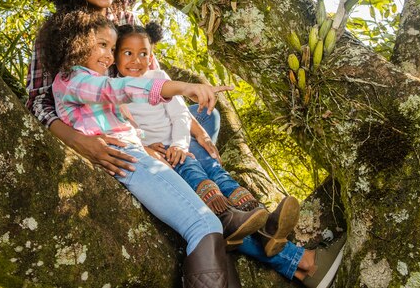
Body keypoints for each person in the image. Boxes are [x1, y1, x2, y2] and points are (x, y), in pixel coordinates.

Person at [113, 21, 347, 287]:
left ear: (151, 53)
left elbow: (179, 114)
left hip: (179, 143)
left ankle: (275, 235)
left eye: (143, 53)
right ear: (115, 55)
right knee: (204, 189)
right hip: (163, 155)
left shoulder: (159, 79)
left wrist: (185, 141)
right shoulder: (112, 89)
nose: (136, 60)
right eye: (128, 53)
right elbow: (123, 126)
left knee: (215, 173)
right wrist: (145, 146)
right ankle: (299, 261)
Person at [38, 10, 240, 285]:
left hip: (137, 156)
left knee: (213, 226)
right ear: (76, 43)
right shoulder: (73, 79)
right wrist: (182, 87)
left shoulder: (83, 80)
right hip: (129, 161)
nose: (109, 56)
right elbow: (118, 89)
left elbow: (122, 113)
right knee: (204, 225)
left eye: (111, 48)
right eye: (101, 45)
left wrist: (148, 146)